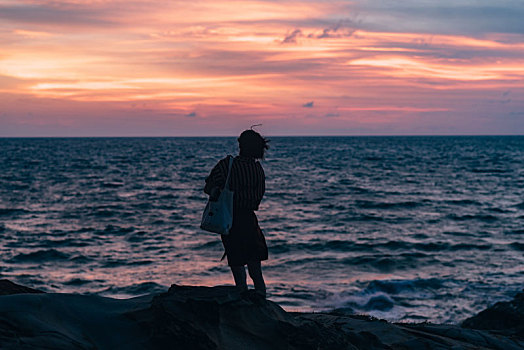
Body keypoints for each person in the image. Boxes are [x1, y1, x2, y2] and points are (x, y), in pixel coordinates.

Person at [204, 129, 269, 297]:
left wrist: (219, 192)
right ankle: (260, 299)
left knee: (236, 258)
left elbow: (208, 186)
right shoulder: (257, 170)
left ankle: (242, 295)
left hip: (230, 217)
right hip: (249, 218)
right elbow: (258, 197)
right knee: (255, 264)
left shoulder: (227, 165)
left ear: (240, 145)